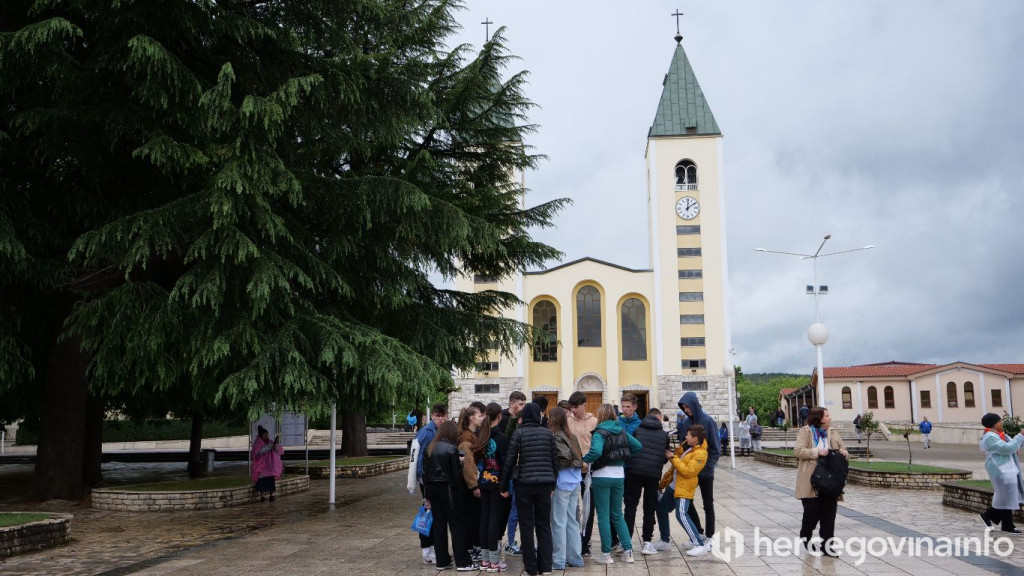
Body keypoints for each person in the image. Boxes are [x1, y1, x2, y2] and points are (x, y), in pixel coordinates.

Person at [500, 402, 558, 576]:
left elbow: (510, 461)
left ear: (523, 416)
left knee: (526, 526)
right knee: (544, 525)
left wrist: (503, 486)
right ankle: (546, 567)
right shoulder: (548, 434)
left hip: (524, 484)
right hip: (544, 486)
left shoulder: (519, 433)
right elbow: (555, 460)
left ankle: (531, 568)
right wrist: (553, 483)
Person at [582, 403, 642, 565]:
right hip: (619, 475)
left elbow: (595, 452)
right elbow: (637, 446)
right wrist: (623, 457)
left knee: (603, 515)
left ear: (600, 416)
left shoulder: (599, 432)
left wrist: (584, 460)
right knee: (617, 514)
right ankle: (628, 551)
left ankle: (606, 554)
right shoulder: (621, 430)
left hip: (602, 476)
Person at [424, 421, 479, 571]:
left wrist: (426, 495)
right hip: (449, 490)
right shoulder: (451, 449)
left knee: (439, 525)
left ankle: (442, 561)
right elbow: (455, 474)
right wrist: (460, 463)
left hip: (432, 490)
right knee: (458, 525)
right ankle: (463, 562)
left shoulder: (430, 447)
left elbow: (424, 473)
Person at [794, 406, 849, 555]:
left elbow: (843, 450)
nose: (830, 418)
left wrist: (844, 453)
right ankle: (806, 534)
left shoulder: (833, 432)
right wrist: (817, 451)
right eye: (826, 416)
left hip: (830, 480)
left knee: (829, 515)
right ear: (819, 419)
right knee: (812, 512)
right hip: (811, 480)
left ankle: (827, 546)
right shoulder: (806, 431)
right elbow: (798, 451)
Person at [676, 392, 721, 543]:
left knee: (708, 504)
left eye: (687, 406)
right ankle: (698, 533)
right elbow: (685, 445)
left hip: (706, 472)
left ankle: (710, 536)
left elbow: (715, 448)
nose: (686, 410)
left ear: (694, 404)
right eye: (684, 407)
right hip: (690, 472)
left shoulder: (708, 421)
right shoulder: (685, 424)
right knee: (688, 503)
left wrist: (707, 466)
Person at [623, 407, 669, 555]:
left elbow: (632, 449)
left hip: (634, 473)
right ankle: (647, 542)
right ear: (659, 418)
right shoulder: (664, 435)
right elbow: (663, 457)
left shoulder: (638, 431)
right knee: (649, 508)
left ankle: (627, 542)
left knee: (630, 507)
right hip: (653, 475)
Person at [661, 424, 711, 556]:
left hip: (684, 488)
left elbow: (688, 472)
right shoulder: (690, 449)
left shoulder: (701, 454)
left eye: (688, 435)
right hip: (673, 487)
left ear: (696, 438)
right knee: (661, 509)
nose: (686, 437)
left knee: (681, 514)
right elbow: (676, 468)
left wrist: (673, 457)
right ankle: (664, 540)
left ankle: (699, 544)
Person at [548, 406, 585, 570]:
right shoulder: (571, 435)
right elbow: (577, 456)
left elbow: (565, 457)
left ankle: (559, 559)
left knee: (558, 521)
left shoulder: (556, 435)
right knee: (572, 521)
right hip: (574, 480)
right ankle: (575, 558)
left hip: (561, 482)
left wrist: (555, 469)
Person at [414, 403, 449, 564]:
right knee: (430, 513)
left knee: (433, 514)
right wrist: (423, 481)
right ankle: (428, 549)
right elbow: (420, 458)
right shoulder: (427, 433)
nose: (440, 419)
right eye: (437, 416)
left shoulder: (441, 431)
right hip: (427, 479)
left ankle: (431, 549)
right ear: (432, 416)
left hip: (435, 478)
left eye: (442, 416)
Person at [978, 413, 1023, 533]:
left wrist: (1021, 438)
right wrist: (1020, 436)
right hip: (1000, 470)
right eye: (999, 421)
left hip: (1006, 469)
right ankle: (995, 519)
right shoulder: (990, 437)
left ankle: (1002, 523)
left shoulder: (1000, 435)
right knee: (1006, 496)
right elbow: (1007, 449)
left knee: (1006, 497)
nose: (1001, 423)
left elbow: (1014, 445)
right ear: (994, 423)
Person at [566, 391, 598, 557]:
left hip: (589, 471)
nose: (573, 410)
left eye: (576, 407)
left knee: (588, 507)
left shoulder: (594, 422)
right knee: (572, 506)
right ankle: (574, 539)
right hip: (571, 469)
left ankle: (586, 541)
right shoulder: (567, 421)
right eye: (571, 407)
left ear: (584, 405)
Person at [479, 403, 509, 572]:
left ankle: (484, 559)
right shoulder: (502, 438)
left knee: (484, 518)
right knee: (494, 520)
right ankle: (494, 561)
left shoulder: (481, 436)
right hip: (497, 483)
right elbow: (506, 464)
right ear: (499, 415)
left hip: (483, 482)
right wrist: (504, 487)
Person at [457, 402, 489, 561]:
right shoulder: (466, 437)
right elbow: (467, 464)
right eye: (480, 415)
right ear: (471, 417)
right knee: (471, 518)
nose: (482, 418)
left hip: (474, 483)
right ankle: (469, 549)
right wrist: (474, 485)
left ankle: (473, 546)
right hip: (468, 486)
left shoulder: (473, 434)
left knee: (476, 517)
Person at [499, 391, 527, 556]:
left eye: (524, 404)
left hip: (520, 471)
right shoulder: (503, 420)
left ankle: (521, 541)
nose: (523, 407)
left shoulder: (523, 421)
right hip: (509, 472)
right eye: (521, 404)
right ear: (512, 404)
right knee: (511, 510)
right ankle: (509, 541)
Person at [251, 425, 283, 502]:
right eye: (265, 435)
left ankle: (271, 495)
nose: (267, 436)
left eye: (267, 435)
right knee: (262, 481)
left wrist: (276, 444)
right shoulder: (257, 444)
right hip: (261, 466)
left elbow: (277, 451)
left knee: (270, 480)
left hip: (270, 466)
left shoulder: (270, 442)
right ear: (261, 436)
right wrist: (271, 445)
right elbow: (260, 452)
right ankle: (262, 496)